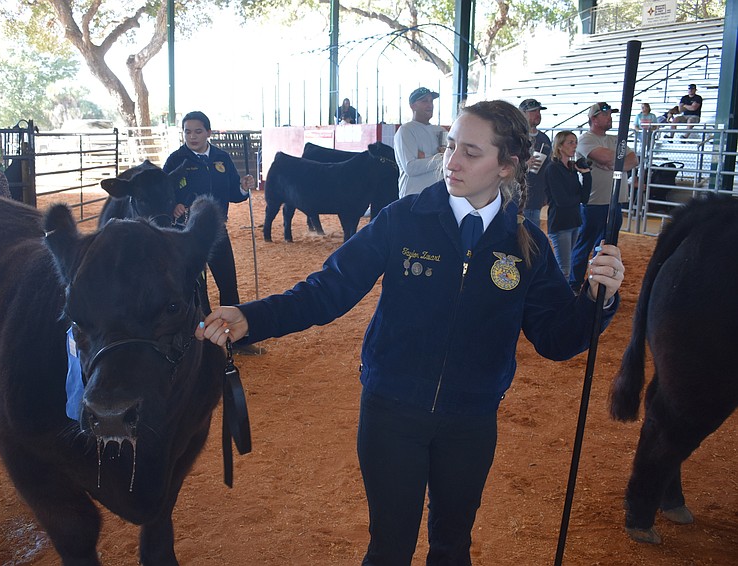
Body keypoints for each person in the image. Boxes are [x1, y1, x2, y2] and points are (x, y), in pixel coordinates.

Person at [196, 99, 625, 566]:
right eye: (451, 146)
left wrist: (595, 301)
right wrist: (252, 317)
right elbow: (327, 290)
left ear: (507, 166)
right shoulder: (403, 219)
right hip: (391, 415)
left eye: (471, 152)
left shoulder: (528, 245)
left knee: (451, 548)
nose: (452, 162)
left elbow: (557, 339)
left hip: (471, 421)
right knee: (389, 549)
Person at [162, 111, 261, 354]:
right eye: (187, 131)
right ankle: (204, 343)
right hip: (185, 235)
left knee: (228, 283)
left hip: (216, 232)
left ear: (208, 132)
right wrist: (172, 205)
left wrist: (243, 186)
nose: (192, 136)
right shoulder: (176, 160)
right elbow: (163, 193)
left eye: (197, 131)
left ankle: (235, 338)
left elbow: (234, 194)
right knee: (197, 290)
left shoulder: (221, 158)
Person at [569, 102, 637, 289]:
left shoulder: (616, 140)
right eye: (605, 114)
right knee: (586, 244)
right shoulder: (586, 139)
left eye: (610, 114)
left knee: (608, 245)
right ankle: (575, 283)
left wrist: (613, 163)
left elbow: (633, 160)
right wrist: (615, 161)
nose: (610, 118)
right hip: (595, 202)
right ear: (594, 118)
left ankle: (599, 282)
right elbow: (608, 158)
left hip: (615, 201)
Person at [544, 131, 592, 282]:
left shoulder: (570, 169)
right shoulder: (553, 169)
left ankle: (560, 299)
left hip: (573, 221)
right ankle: (559, 301)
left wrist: (586, 174)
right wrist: (576, 199)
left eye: (575, 142)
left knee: (566, 266)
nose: (575, 145)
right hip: (560, 223)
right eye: (570, 142)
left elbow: (584, 199)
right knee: (564, 269)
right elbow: (562, 201)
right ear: (560, 146)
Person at [393, 86, 446, 198]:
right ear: (413, 106)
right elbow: (411, 168)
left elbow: (450, 161)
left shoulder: (441, 131)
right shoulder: (406, 130)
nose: (430, 105)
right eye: (424, 101)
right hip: (413, 198)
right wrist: (441, 157)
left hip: (438, 197)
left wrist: (424, 156)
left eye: (431, 101)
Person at [518, 98, 552, 229]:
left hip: (536, 199)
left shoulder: (544, 139)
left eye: (538, 111)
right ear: (523, 114)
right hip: (517, 199)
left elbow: (547, 169)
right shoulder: (515, 137)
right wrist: (525, 165)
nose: (538, 114)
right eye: (533, 111)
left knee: (532, 238)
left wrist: (546, 193)